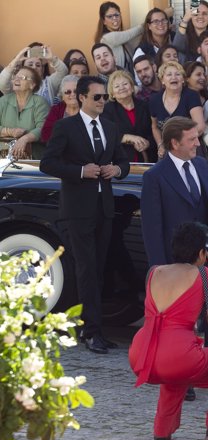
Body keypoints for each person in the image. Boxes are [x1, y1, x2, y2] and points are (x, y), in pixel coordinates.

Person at [129, 221, 208, 440]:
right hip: (178, 354)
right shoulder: (203, 274)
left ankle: (162, 432)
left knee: (176, 373)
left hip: (142, 353)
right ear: (202, 252)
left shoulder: (154, 271)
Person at [40, 76, 130, 354]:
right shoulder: (65, 127)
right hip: (77, 210)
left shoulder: (111, 127)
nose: (103, 101)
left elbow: (123, 160)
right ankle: (91, 332)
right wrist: (81, 172)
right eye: (97, 97)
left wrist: (117, 170)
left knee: (99, 269)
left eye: (104, 97)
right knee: (86, 269)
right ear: (81, 98)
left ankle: (90, 329)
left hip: (104, 208)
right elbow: (47, 162)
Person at [140, 116, 208, 382]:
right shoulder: (155, 177)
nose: (197, 143)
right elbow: (152, 227)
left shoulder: (202, 165)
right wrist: (159, 269)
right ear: (174, 143)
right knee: (182, 322)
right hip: (175, 263)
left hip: (207, 256)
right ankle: (181, 373)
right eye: (191, 139)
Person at [148, 61, 205, 159]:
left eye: (177, 74)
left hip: (190, 149)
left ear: (183, 79)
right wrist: (160, 144)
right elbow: (155, 127)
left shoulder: (191, 96)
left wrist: (180, 143)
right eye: (169, 75)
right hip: (167, 151)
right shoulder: (154, 100)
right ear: (162, 80)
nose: (173, 77)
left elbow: (200, 126)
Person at [102, 70, 155, 163]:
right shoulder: (106, 110)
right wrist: (128, 138)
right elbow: (106, 135)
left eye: (125, 84)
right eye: (117, 86)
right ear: (112, 93)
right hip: (119, 161)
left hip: (146, 158)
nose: (122, 88)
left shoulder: (144, 106)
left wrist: (148, 143)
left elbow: (154, 130)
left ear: (132, 87)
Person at [0, 66, 49, 159]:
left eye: (22, 78)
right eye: (15, 77)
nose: (17, 79)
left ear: (32, 85)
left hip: (33, 159)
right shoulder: (3, 101)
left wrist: (24, 139)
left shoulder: (40, 102)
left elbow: (43, 128)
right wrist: (10, 131)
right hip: (3, 158)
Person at [0, 44, 68, 105]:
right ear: (23, 68)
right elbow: (2, 83)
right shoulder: (17, 84)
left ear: (42, 69)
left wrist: (52, 58)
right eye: (30, 64)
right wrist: (16, 60)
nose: (34, 67)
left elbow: (63, 71)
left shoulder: (49, 83)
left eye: (38, 65)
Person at [41, 75, 80, 143]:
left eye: (76, 91)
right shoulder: (56, 110)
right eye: (68, 92)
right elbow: (45, 135)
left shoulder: (88, 110)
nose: (73, 94)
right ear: (62, 96)